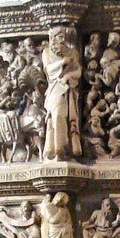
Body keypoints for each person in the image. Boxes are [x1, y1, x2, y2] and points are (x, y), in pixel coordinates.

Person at [42, 26, 82, 160]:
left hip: (67, 88)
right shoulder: (47, 52)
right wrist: (62, 62)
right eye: (59, 37)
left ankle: (62, 149)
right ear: (53, 38)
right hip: (54, 88)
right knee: (55, 116)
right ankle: (55, 148)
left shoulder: (72, 52)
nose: (62, 40)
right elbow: (48, 70)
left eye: (64, 37)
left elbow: (78, 71)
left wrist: (68, 76)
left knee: (62, 116)